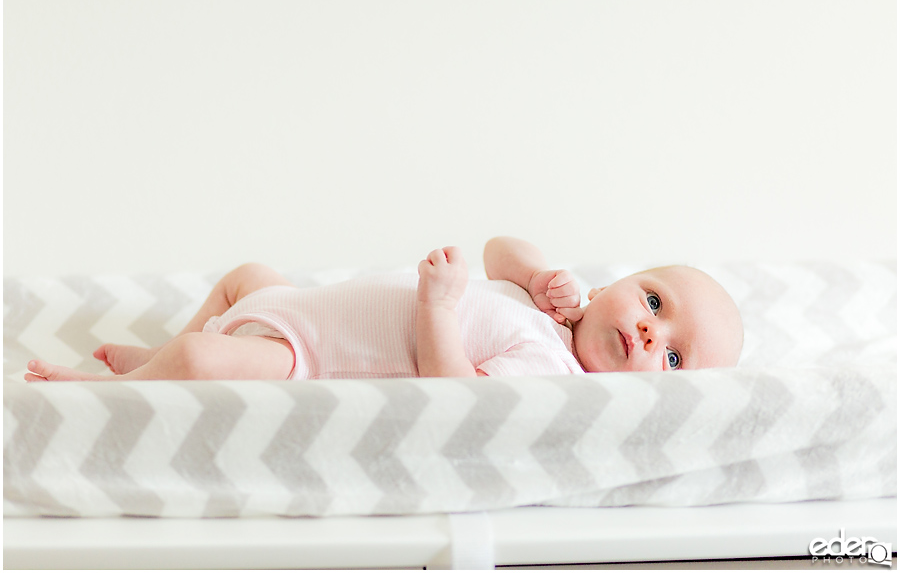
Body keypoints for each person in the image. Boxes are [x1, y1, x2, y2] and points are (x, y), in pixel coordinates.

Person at [24, 236, 743, 382]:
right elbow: (496, 250)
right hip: (294, 305)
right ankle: (157, 361)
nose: (651, 330)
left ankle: (115, 394)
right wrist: (537, 271)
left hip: (302, 356)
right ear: (626, 281)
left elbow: (452, 392)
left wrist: (438, 306)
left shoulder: (551, 369)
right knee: (248, 274)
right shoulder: (559, 307)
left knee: (202, 359)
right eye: (655, 300)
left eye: (673, 357)